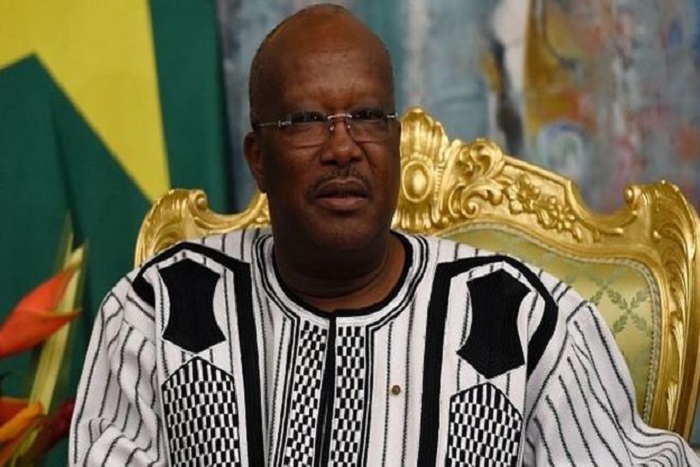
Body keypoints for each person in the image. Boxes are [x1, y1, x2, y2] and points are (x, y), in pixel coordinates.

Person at [69, 4, 700, 466]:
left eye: (368, 117)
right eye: (307, 120)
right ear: (258, 158)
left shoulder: (522, 321)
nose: (343, 147)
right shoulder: (158, 314)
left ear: (394, 142)